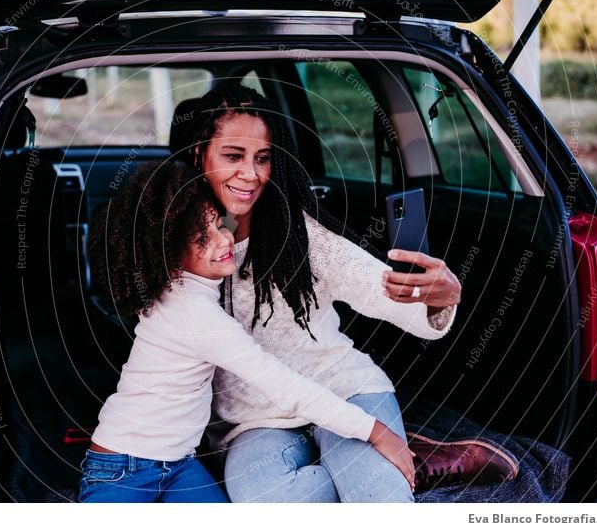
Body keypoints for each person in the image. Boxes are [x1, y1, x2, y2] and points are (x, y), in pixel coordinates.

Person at [172, 81, 467, 502]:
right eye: (233, 156)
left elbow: (379, 287)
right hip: (258, 421)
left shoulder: (300, 236)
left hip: (344, 390)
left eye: (263, 158)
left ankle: (382, 464)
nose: (250, 174)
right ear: (200, 155)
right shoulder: (175, 242)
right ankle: (393, 462)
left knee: (378, 502)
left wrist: (439, 296)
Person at [78, 161, 423, 503]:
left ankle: (345, 462)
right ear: (170, 253)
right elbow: (282, 385)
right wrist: (377, 433)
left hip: (180, 465)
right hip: (123, 465)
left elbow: (221, 225)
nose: (223, 240)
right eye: (203, 237)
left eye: (217, 223)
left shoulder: (185, 279)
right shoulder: (197, 317)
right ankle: (344, 464)